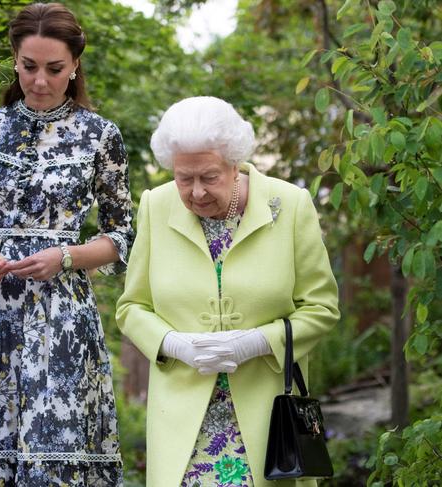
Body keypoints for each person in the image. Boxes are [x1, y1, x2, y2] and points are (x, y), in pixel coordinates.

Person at [0, 4, 133, 486]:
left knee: (56, 457)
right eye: (28, 67)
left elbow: (122, 235)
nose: (39, 80)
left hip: (63, 318)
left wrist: (65, 257)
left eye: (54, 69)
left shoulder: (100, 136)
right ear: (15, 60)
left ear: (75, 67)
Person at [116, 96, 339, 487]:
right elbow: (132, 307)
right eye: (184, 178)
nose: (196, 192)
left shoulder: (289, 205)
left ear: (234, 164)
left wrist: (257, 342)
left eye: (209, 177)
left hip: (269, 420)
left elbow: (321, 308)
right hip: (183, 422)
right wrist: (173, 343)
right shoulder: (156, 205)